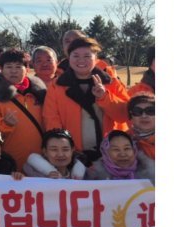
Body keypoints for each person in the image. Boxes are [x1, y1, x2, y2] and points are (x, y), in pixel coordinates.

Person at [41, 35, 131, 165]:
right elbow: (51, 119)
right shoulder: (57, 86)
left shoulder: (111, 82)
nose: (81, 60)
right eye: (76, 55)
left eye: (87, 56)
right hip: (74, 157)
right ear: (69, 58)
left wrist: (104, 96)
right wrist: (64, 150)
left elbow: (125, 115)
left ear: (96, 58)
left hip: (112, 155)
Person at [0, 47, 46, 171]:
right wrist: (6, 124)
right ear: (1, 70)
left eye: (18, 67)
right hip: (9, 162)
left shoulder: (41, 94)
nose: (14, 71)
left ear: (27, 69)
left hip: (42, 163)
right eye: (9, 67)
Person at [75, 129, 141, 181]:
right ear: (106, 153)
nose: (122, 154)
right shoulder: (91, 177)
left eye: (127, 148)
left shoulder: (148, 174)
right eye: (116, 149)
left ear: (134, 150)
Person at [125, 92, 155, 179]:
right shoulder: (121, 140)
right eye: (137, 112)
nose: (144, 116)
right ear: (131, 116)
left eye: (150, 111)